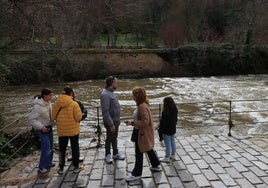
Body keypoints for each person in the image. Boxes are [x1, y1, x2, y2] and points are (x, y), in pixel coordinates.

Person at [125, 86, 161, 182]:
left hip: (142, 133)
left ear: (137, 96)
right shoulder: (143, 104)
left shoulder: (142, 107)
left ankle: (136, 173)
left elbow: (145, 121)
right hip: (142, 133)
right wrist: (132, 122)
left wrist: (132, 123)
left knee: (139, 152)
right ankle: (156, 164)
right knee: (148, 149)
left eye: (133, 95)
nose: (132, 97)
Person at [52, 86, 83, 174]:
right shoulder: (74, 104)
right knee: (75, 148)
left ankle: (61, 168)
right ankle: (76, 167)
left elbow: (53, 117)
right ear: (71, 93)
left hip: (62, 131)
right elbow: (79, 117)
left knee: (62, 149)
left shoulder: (56, 104)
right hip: (73, 130)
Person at [28, 88, 55, 174]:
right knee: (46, 147)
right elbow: (31, 119)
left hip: (49, 128)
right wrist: (41, 127)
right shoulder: (37, 107)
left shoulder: (48, 103)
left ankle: (48, 163)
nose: (52, 97)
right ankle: (41, 167)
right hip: (41, 129)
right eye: (50, 95)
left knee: (50, 146)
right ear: (45, 96)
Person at [100, 76, 125, 164]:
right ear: (112, 83)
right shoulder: (105, 94)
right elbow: (105, 112)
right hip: (111, 121)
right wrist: (111, 124)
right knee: (109, 138)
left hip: (115, 120)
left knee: (114, 138)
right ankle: (108, 155)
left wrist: (118, 119)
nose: (117, 84)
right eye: (116, 82)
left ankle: (115, 153)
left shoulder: (111, 93)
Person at [159, 97, 178, 163]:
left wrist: (160, 131)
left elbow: (163, 123)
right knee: (172, 141)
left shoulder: (165, 112)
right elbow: (176, 120)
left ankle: (167, 157)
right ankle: (173, 155)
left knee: (167, 144)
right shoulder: (175, 109)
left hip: (166, 130)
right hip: (173, 128)